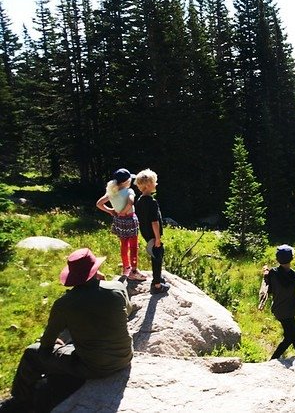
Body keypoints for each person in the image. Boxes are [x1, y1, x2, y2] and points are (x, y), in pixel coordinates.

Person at [1, 248, 133, 412]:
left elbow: (47, 344)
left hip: (94, 367)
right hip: (124, 358)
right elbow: (126, 312)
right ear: (96, 269)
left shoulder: (64, 304)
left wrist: (54, 342)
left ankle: (19, 400)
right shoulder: (118, 288)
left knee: (31, 353)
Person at [96, 168, 146, 281]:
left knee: (124, 244)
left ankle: (125, 268)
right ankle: (134, 271)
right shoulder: (129, 191)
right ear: (125, 182)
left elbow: (99, 203)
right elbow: (131, 201)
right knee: (133, 246)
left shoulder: (111, 192)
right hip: (130, 220)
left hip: (119, 220)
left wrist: (110, 210)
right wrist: (125, 210)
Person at [258, 244, 295, 360]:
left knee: (293, 333)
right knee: (292, 335)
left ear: (277, 259)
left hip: (279, 309)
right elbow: (287, 275)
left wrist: (265, 271)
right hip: (289, 310)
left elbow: (269, 278)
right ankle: (277, 359)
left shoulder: (273, 274)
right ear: (292, 258)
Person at [134, 169, 169, 294]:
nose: (156, 184)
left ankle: (158, 278)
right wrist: (158, 238)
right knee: (157, 257)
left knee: (155, 255)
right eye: (155, 182)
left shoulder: (139, 201)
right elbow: (154, 222)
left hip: (146, 234)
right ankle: (157, 285)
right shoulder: (152, 202)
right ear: (148, 185)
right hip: (153, 236)